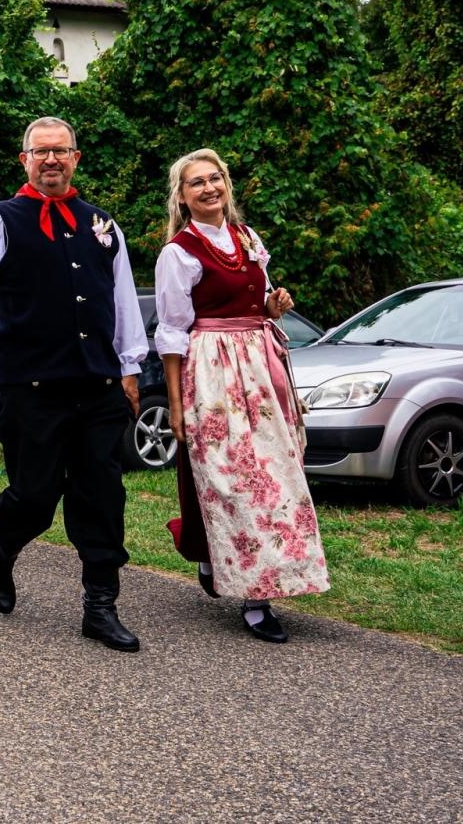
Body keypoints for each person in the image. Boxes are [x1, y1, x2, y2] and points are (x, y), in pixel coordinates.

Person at [0, 119, 148, 652]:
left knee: (102, 494)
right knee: (34, 495)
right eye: (41, 152)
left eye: (61, 151)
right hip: (31, 387)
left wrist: (129, 366)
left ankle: (100, 606)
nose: (51, 160)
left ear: (76, 157)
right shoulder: (0, 220)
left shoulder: (103, 224)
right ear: (24, 160)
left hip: (98, 385)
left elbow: (121, 301)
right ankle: (0, 546)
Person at [154, 149, 328, 642]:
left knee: (278, 475)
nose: (208, 189)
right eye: (196, 184)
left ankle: (256, 581)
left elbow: (261, 301)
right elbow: (171, 332)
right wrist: (175, 403)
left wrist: (273, 307)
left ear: (226, 185)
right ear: (182, 197)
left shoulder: (248, 239)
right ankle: (253, 600)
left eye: (215, 179)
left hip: (261, 365)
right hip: (210, 370)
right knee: (233, 481)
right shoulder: (179, 252)